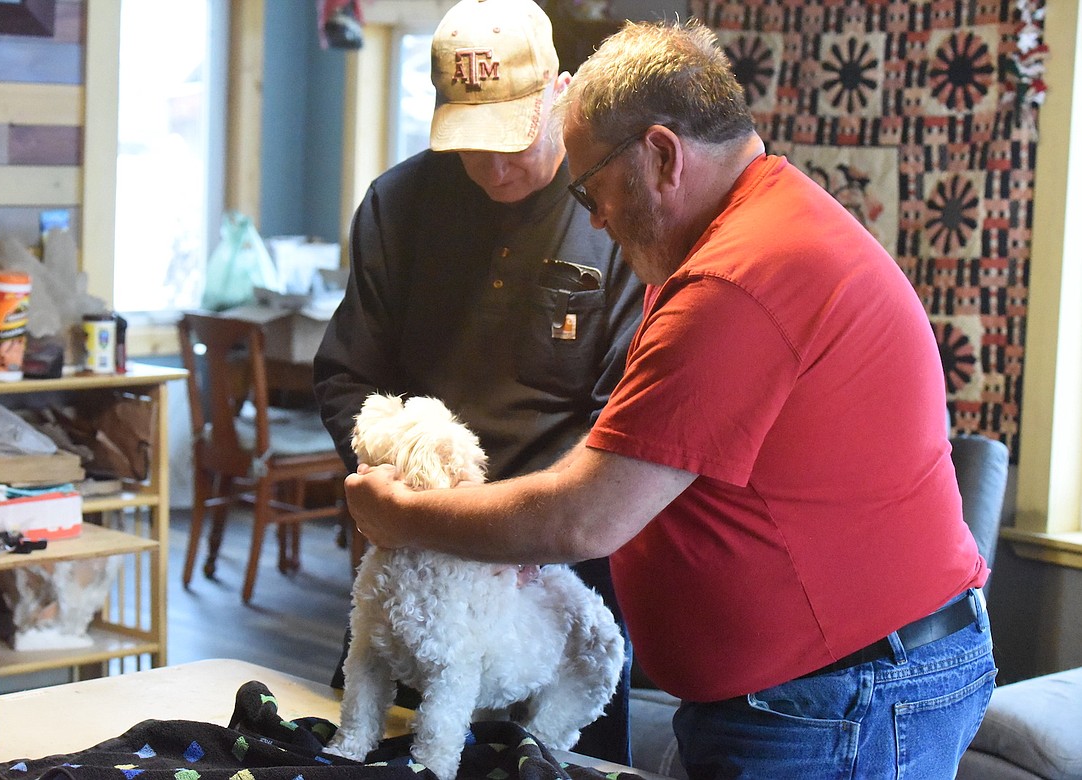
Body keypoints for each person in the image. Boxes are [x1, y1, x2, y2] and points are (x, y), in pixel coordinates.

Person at [342, 18, 997, 779]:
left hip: (839, 699)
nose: (592, 216)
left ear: (660, 155)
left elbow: (589, 513)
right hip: (825, 687)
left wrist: (402, 516)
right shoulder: (744, 233)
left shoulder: (737, 281)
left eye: (592, 187)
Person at [311, 0, 645, 766]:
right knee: (383, 751)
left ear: (561, 91)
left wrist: (536, 525)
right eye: (470, 144)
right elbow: (346, 373)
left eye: (512, 141)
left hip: (559, 564)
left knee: (562, 761)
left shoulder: (616, 214)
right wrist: (387, 477)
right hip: (415, 548)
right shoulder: (399, 205)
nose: (494, 168)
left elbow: (625, 411)